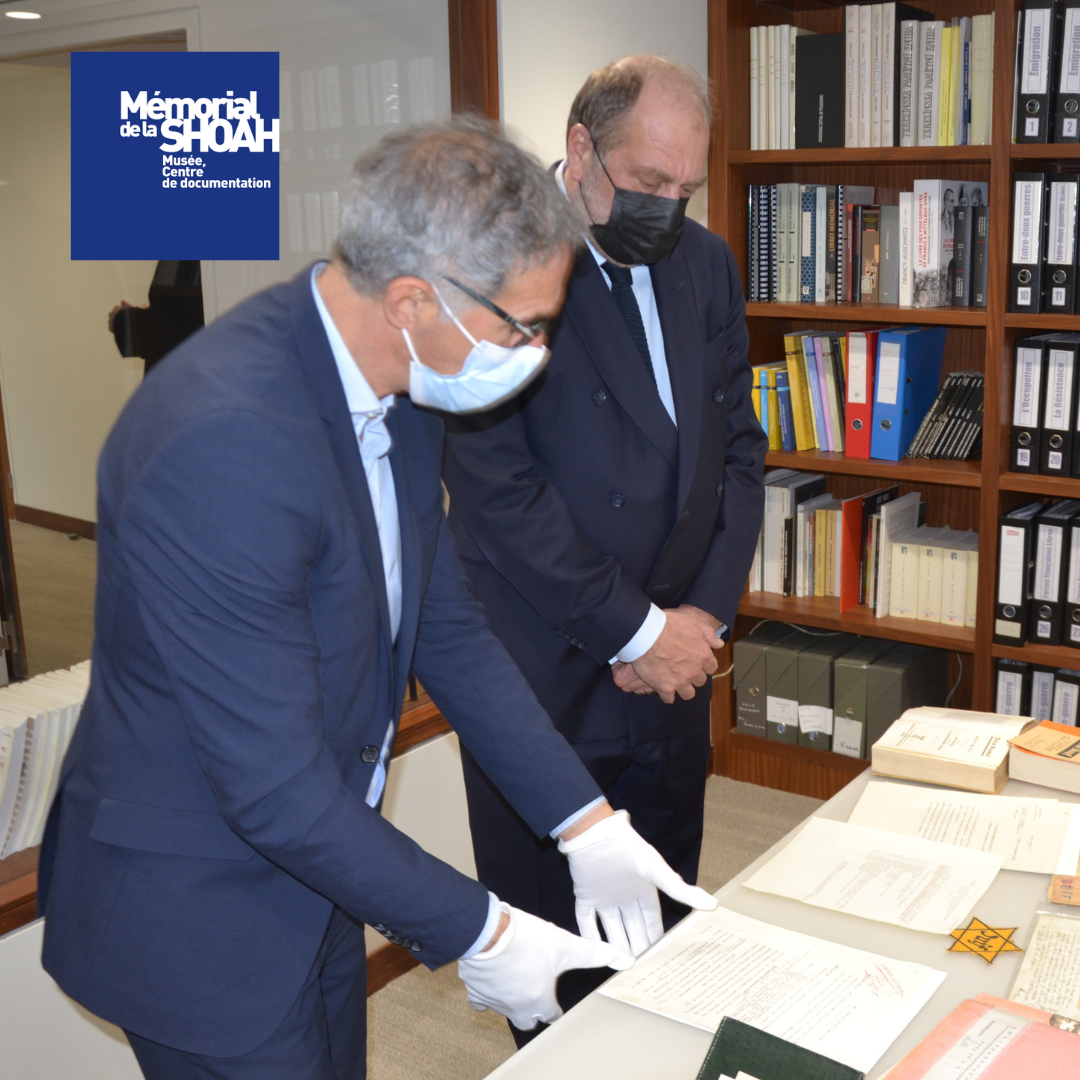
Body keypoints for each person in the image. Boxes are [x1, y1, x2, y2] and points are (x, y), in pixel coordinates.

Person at [38, 118, 715, 1080]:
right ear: (411, 300)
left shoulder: (400, 378)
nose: (534, 353)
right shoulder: (222, 441)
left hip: (321, 866)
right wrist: (483, 931)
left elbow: (446, 626)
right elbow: (271, 789)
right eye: (520, 327)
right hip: (199, 906)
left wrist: (583, 820)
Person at [442, 57, 767, 1043]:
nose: (668, 207)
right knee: (560, 977)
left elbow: (738, 451)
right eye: (647, 182)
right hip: (552, 676)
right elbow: (500, 491)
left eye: (685, 187)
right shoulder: (493, 263)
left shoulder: (706, 263)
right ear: (581, 149)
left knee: (664, 941)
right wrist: (639, 634)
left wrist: (698, 622)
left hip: (676, 676)